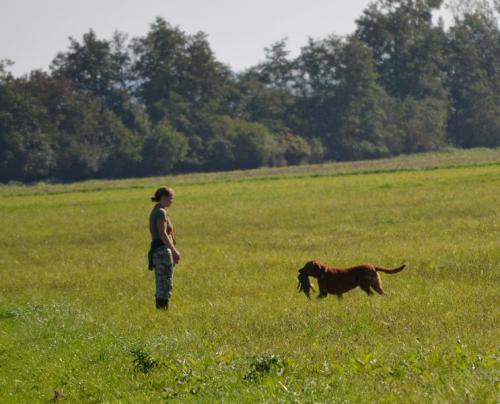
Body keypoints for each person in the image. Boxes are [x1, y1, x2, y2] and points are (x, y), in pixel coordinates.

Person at [148, 186, 181, 309]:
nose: (172, 201)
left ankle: (161, 312)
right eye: (170, 198)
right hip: (162, 252)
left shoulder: (156, 210)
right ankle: (162, 311)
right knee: (165, 283)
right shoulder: (161, 212)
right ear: (163, 197)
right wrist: (173, 250)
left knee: (162, 282)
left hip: (158, 251)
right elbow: (163, 233)